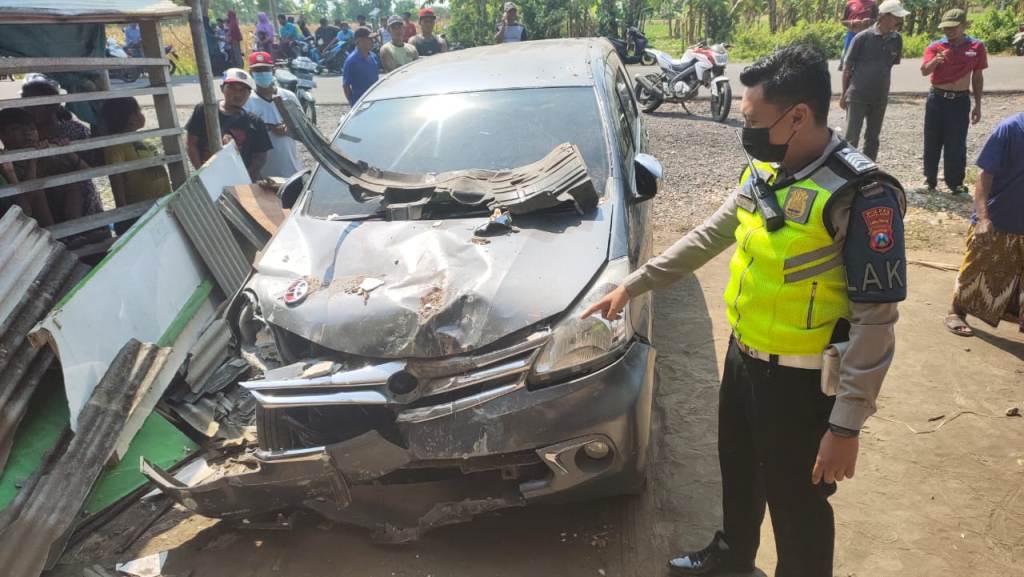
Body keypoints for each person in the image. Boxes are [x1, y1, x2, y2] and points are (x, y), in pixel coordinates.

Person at [583, 45, 906, 577]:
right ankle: (732, 558)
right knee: (738, 472)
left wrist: (846, 428)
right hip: (743, 358)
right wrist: (636, 284)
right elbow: (711, 234)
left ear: (798, 116)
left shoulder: (861, 194)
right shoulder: (764, 170)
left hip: (803, 387)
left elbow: (877, 323)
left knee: (798, 505)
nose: (744, 128)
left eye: (753, 119)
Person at [945, 112, 1024, 337]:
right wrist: (982, 218)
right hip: (998, 219)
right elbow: (984, 175)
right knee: (976, 270)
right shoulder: (1010, 129)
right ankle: (956, 312)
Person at [920, 9, 987, 195]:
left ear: (964, 25)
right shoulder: (935, 46)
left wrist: (978, 105)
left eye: (953, 28)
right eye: (946, 28)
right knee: (932, 140)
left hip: (960, 100)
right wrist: (935, 61)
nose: (949, 31)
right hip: (937, 99)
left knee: (956, 142)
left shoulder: (976, 46)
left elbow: (978, 77)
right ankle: (929, 180)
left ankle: (956, 183)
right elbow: (924, 70)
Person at [20, 74, 103, 221]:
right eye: (27, 104)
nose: (31, 109)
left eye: (37, 104)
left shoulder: (75, 130)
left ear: (53, 104)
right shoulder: (27, 135)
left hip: (84, 202)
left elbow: (92, 169)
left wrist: (67, 152)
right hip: (46, 206)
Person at [840, 0, 907, 161]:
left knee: (872, 138)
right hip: (858, 95)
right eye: (896, 17)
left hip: (880, 96)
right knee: (851, 138)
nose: (899, 21)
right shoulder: (862, 38)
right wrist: (844, 94)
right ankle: (848, 173)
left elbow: (890, 64)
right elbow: (847, 68)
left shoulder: (897, 39)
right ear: (884, 16)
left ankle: (868, 172)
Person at [185, 68, 271, 181]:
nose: (238, 94)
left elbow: (260, 156)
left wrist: (246, 177)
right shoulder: (205, 110)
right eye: (232, 88)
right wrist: (201, 173)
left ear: (249, 94)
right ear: (222, 88)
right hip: (209, 177)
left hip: (240, 181)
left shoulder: (255, 122)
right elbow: (191, 143)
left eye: (243, 90)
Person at [101, 97, 172, 210]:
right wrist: (123, 210)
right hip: (141, 208)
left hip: (162, 201)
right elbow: (116, 180)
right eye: (138, 111)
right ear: (130, 118)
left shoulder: (141, 140)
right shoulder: (116, 147)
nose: (141, 114)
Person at [243, 52, 303, 178]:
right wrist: (269, 128)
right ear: (251, 73)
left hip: (290, 169)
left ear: (273, 70)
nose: (262, 73)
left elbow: (303, 127)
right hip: (262, 173)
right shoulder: (247, 101)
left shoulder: (289, 96)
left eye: (265, 69)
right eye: (258, 70)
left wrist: (288, 128)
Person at [0, 108, 54, 226]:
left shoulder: (45, 151)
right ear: (2, 135)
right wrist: (32, 161)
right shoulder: (5, 164)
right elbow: (26, 210)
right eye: (16, 129)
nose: (27, 133)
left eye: (31, 128)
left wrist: (68, 152)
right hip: (15, 223)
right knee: (37, 188)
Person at [342, 27, 380, 105]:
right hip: (361, 103)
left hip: (375, 100)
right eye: (369, 39)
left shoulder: (373, 56)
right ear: (360, 41)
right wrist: (353, 104)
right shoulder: (351, 61)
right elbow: (346, 86)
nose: (373, 41)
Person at [839, 0, 877, 70]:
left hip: (867, 36)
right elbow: (842, 21)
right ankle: (844, 67)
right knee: (847, 57)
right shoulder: (850, 3)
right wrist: (852, 22)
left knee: (867, 58)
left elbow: (877, 20)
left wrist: (869, 21)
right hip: (852, 34)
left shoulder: (873, 4)